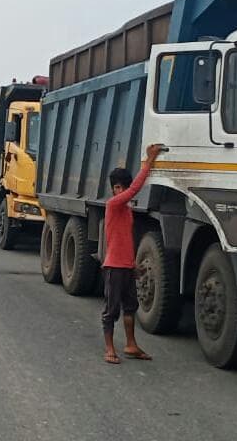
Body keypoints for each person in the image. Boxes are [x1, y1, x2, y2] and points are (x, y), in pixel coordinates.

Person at [101, 143, 165, 364]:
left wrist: (132, 264)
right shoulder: (113, 204)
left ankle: (130, 344)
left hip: (126, 266)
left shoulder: (126, 212)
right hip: (113, 267)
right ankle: (109, 349)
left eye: (123, 188)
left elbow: (125, 241)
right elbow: (135, 189)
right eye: (119, 188)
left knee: (131, 307)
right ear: (114, 189)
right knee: (111, 311)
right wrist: (149, 162)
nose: (122, 192)